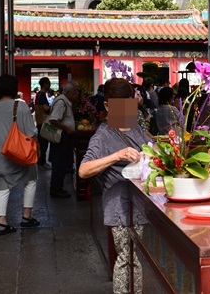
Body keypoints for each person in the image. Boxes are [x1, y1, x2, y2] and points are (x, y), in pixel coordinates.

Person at [79, 78, 147, 293]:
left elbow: (150, 149)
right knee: (126, 258)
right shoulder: (103, 134)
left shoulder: (135, 128)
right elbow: (83, 170)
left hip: (139, 204)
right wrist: (116, 155)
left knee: (134, 259)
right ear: (107, 106)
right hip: (118, 207)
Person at [0, 75, 40, 235]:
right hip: (20, 155)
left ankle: (2, 223)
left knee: (2, 189)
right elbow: (30, 132)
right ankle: (26, 216)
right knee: (31, 180)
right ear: (14, 88)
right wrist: (37, 146)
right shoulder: (21, 106)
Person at [47, 80, 79, 198]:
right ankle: (56, 189)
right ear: (69, 92)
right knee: (59, 164)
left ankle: (58, 188)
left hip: (64, 136)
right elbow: (53, 119)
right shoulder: (61, 102)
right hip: (61, 137)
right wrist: (67, 128)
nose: (76, 95)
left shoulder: (65, 101)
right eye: (75, 92)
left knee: (61, 164)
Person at [34, 77, 52, 169]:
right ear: (44, 84)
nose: (50, 85)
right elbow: (45, 108)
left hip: (39, 121)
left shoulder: (38, 94)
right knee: (44, 143)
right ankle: (42, 162)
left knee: (42, 143)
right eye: (49, 83)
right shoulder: (42, 94)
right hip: (43, 122)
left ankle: (41, 162)